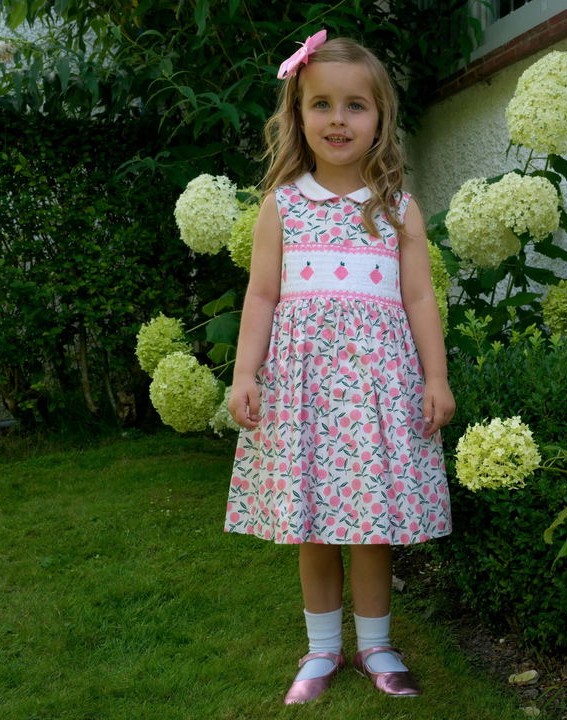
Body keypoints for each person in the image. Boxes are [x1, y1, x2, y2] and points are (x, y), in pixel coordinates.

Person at [226, 29, 455, 705]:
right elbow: (261, 294)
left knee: (372, 524)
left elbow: (419, 297)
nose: (337, 119)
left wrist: (436, 378)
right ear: (298, 115)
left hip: (377, 395)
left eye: (355, 105)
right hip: (304, 395)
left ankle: (378, 646)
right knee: (313, 525)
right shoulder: (283, 206)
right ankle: (323, 651)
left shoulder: (397, 211)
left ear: (379, 117)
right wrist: (246, 374)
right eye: (321, 104)